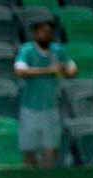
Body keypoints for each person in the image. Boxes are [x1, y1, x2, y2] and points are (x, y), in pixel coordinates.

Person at [14, 18, 78, 168]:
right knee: (28, 150)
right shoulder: (27, 50)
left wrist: (63, 69)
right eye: (43, 32)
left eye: (49, 32)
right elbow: (19, 70)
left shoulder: (58, 50)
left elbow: (72, 69)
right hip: (30, 109)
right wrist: (48, 70)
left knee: (51, 149)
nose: (47, 35)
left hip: (51, 109)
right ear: (35, 34)